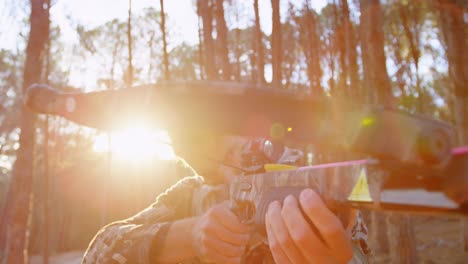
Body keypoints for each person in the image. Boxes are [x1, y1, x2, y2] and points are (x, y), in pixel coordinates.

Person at [81, 135, 369, 264]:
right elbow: (98, 255)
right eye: (210, 169)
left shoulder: (321, 192)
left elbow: (358, 254)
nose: (227, 173)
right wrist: (191, 235)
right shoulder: (189, 195)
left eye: (236, 151)